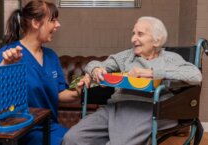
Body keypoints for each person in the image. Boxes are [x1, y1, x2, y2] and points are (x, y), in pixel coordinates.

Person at [62, 16, 202, 145]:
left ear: (157, 40)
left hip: (151, 109)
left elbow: (195, 75)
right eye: (133, 33)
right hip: (117, 106)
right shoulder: (126, 56)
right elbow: (94, 64)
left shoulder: (170, 58)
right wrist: (96, 70)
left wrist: (152, 73)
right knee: (72, 139)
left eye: (140, 34)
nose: (133, 39)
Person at [0, 1, 84, 145]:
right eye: (53, 20)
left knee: (83, 140)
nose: (57, 25)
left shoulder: (51, 56)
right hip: (22, 131)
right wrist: (5, 65)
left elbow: (59, 93)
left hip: (49, 127)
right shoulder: (9, 53)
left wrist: (77, 92)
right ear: (36, 23)